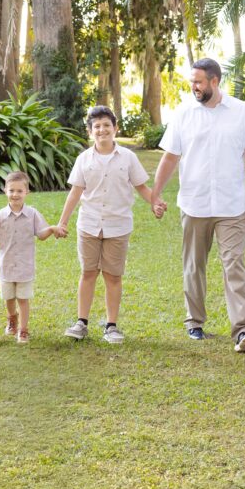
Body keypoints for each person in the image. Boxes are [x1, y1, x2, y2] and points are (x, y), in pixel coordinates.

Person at [151, 58, 245, 354]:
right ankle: (195, 322)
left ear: (215, 81)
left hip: (231, 206)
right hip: (194, 204)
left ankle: (243, 330)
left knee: (234, 265)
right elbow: (169, 157)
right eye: (192, 82)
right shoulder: (183, 114)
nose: (194, 87)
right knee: (194, 266)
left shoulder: (243, 113)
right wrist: (155, 194)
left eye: (199, 82)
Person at [55, 105, 163, 344]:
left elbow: (142, 187)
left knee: (113, 276)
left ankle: (111, 326)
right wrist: (63, 222)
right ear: (90, 132)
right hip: (89, 224)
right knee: (88, 272)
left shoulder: (128, 158)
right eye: (97, 127)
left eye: (106, 125)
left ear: (116, 128)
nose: (102, 130)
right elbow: (75, 192)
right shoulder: (84, 159)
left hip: (118, 226)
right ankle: (81, 322)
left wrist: (154, 203)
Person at [0, 171, 59, 344]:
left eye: (20, 191)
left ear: (27, 192)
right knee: (9, 298)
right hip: (6, 266)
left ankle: (24, 330)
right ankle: (12, 319)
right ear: (5, 191)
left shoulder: (33, 214)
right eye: (11, 190)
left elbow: (41, 235)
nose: (15, 194)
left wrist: (51, 229)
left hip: (25, 266)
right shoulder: (0, 216)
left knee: (23, 298)